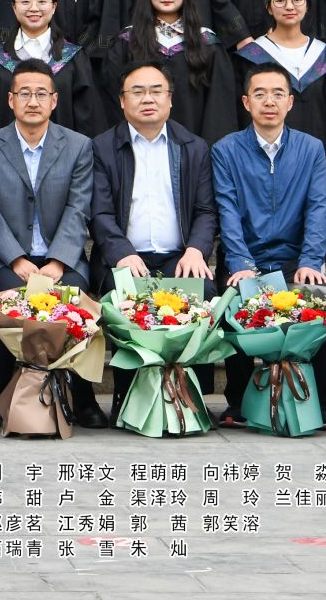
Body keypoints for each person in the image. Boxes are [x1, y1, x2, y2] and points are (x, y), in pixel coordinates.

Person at [0, 59, 103, 429]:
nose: (33, 101)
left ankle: (83, 398)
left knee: (73, 301)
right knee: (9, 301)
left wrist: (58, 261)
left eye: (41, 94)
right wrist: (16, 258)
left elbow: (79, 207)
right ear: (10, 100)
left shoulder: (77, 146)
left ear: (54, 100)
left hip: (63, 258)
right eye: (24, 93)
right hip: (6, 259)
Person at [90, 60, 218, 416]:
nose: (148, 99)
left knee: (204, 291)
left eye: (156, 91)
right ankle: (126, 394)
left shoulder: (193, 147)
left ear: (170, 99)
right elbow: (99, 213)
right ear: (122, 101)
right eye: (138, 91)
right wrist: (121, 252)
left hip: (179, 256)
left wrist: (196, 250)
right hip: (125, 256)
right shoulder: (102, 147)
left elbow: (206, 210)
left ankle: (191, 398)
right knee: (121, 295)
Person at [211, 63, 326, 428]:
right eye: (260, 94)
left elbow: (317, 208)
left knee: (319, 296)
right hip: (245, 256)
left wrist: (311, 260)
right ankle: (237, 399)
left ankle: (321, 402)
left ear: (290, 102)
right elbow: (227, 210)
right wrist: (240, 264)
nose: (269, 102)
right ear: (246, 102)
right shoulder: (226, 150)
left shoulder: (311, 149)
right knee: (234, 297)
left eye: (278, 94)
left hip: (294, 257)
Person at [102, 0, 238, 143]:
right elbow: (113, 101)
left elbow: (219, 110)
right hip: (137, 146)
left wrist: (205, 152)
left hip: (195, 150)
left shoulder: (207, 43)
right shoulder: (127, 42)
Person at [0, 0, 108, 137]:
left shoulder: (73, 59)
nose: (34, 8)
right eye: (25, 1)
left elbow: (88, 120)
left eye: (42, 1)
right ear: (14, 7)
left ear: (54, 7)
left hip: (64, 152)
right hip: (5, 153)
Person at [234, 0, 326, 147]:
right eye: (280, 0)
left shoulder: (325, 56)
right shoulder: (251, 56)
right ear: (269, 8)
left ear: (307, 5)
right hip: (263, 153)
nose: (289, 7)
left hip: (318, 153)